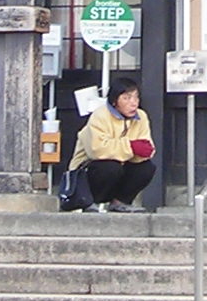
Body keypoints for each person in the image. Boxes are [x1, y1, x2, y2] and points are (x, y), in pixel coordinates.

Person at [65, 76, 158, 213]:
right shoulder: (100, 115)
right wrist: (131, 147)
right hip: (88, 170)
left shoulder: (141, 116)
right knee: (110, 167)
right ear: (115, 101)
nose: (133, 103)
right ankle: (89, 202)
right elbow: (97, 150)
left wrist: (141, 151)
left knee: (146, 168)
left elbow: (147, 147)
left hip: (121, 167)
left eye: (136, 98)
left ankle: (120, 202)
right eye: (126, 98)